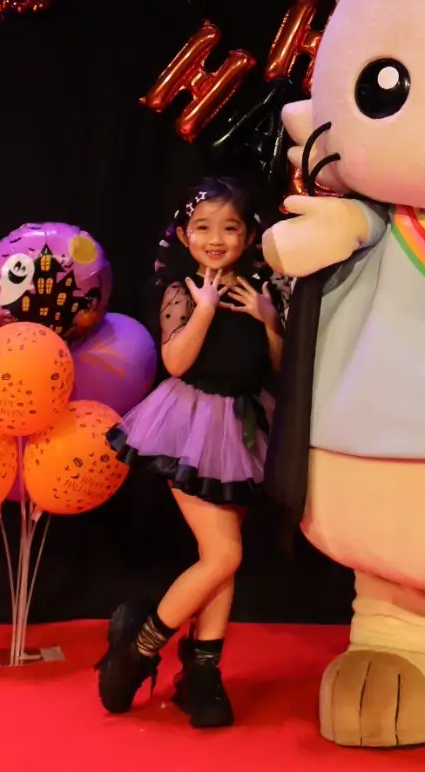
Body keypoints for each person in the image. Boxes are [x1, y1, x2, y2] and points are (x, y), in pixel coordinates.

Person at [97, 177, 288, 728]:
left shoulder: (259, 288)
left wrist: (268, 321)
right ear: (184, 235)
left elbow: (278, 366)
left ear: (248, 236)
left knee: (220, 558)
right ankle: (138, 648)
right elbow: (176, 362)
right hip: (189, 425)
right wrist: (204, 308)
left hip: (244, 427)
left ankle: (202, 673)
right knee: (224, 555)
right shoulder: (181, 289)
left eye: (230, 228)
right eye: (203, 228)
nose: (216, 239)